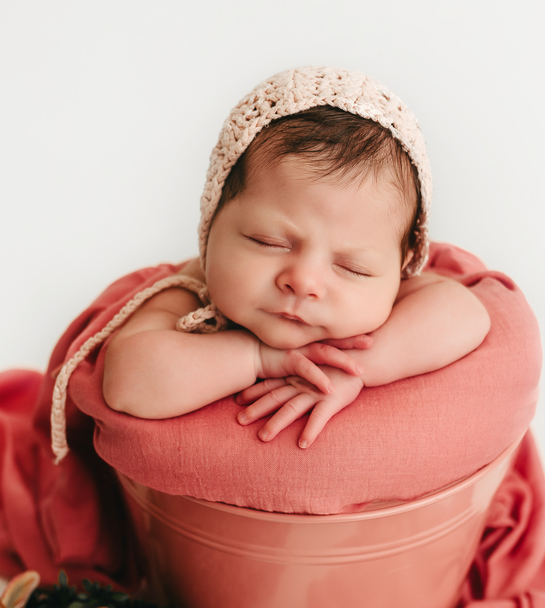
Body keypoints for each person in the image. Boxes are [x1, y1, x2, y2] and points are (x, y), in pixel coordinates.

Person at [100, 69, 490, 449]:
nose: (303, 281)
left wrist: (356, 369)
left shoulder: (393, 295)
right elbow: (128, 382)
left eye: (352, 268)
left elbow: (466, 314)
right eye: (269, 242)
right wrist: (258, 358)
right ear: (211, 222)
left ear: (402, 267)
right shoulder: (192, 292)